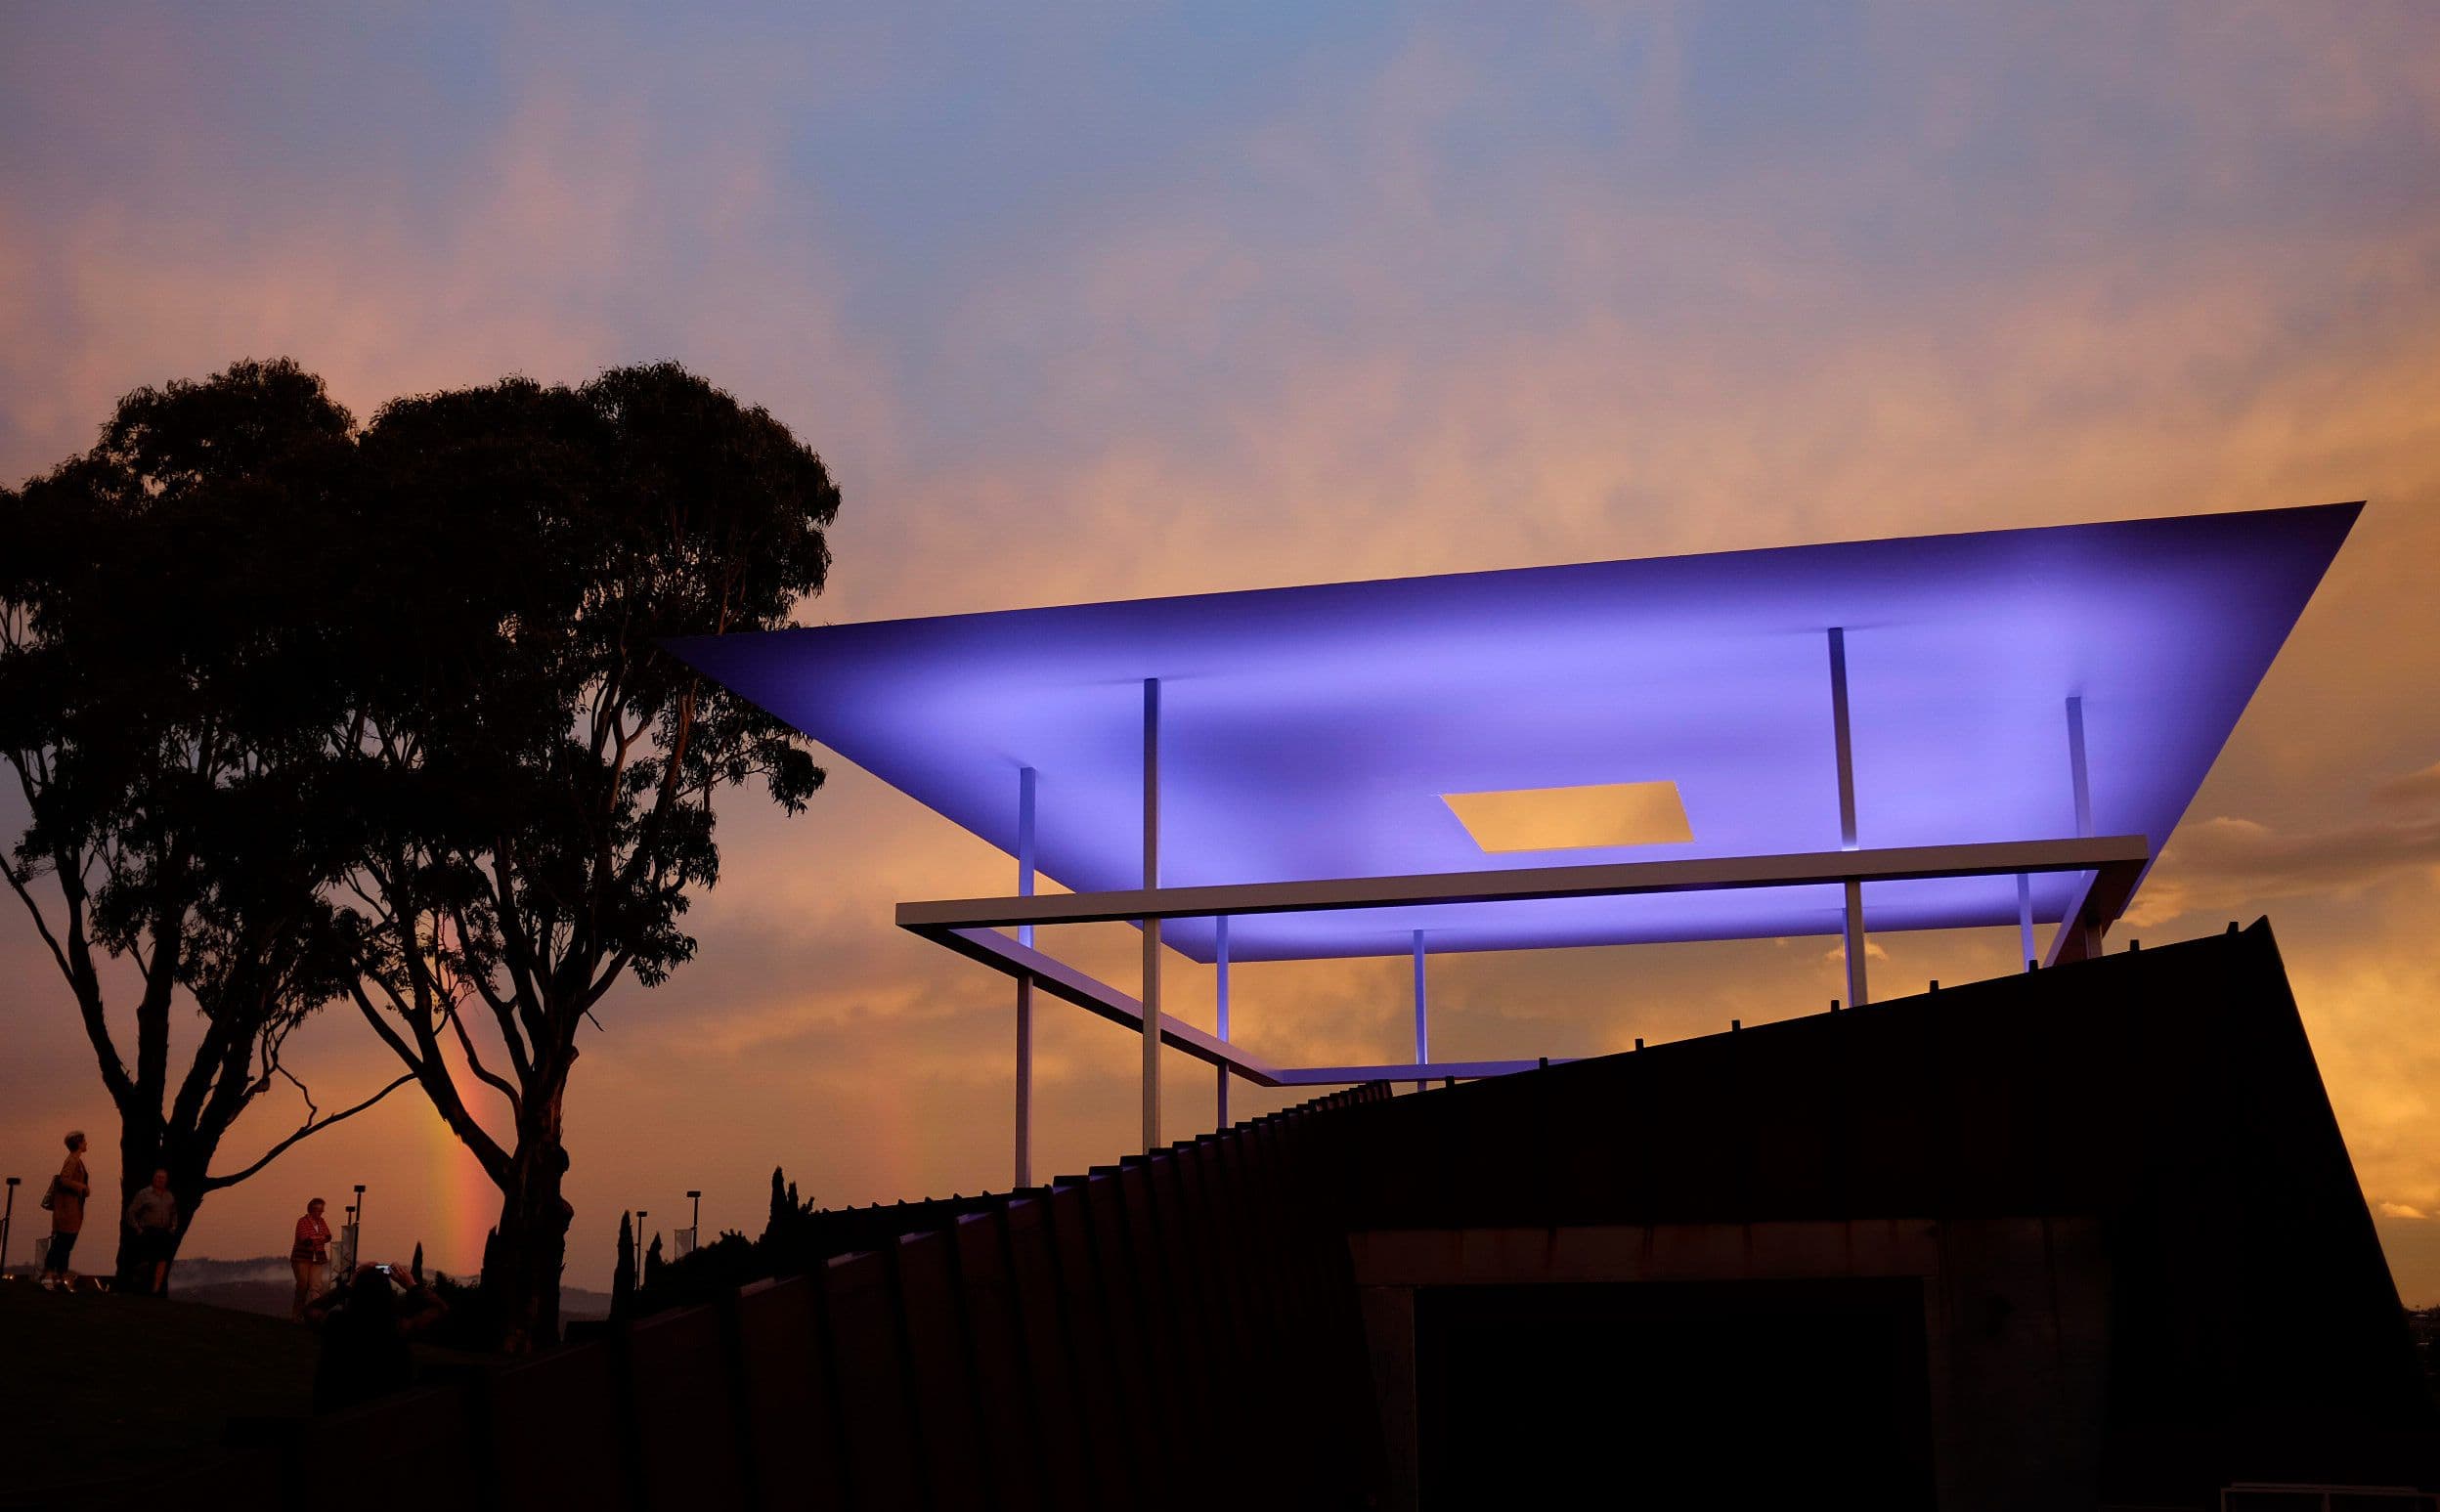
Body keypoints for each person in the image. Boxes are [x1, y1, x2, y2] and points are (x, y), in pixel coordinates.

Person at [303, 1260, 448, 1412]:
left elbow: (311, 1311)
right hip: (384, 1419)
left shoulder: (337, 1323)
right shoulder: (398, 1328)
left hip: (335, 1414)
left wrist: (348, 1286)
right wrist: (411, 1285)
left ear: (355, 1293)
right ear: (387, 1293)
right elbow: (440, 1309)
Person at [37, 1130, 90, 1292]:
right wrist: (81, 1187)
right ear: (79, 1143)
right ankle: (48, 1274)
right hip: (68, 1210)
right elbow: (64, 1180)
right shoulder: (72, 1160)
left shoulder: (77, 1161)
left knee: (66, 1245)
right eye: (84, 1141)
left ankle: (60, 1276)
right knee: (61, 1243)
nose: (87, 1143)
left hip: (72, 1210)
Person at [123, 1169, 179, 1297]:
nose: (160, 1180)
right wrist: (138, 1229)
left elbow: (174, 1213)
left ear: (166, 1180)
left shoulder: (169, 1195)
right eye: (158, 1177)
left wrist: (173, 1227)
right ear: (154, 1178)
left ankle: (155, 1291)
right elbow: (131, 1212)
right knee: (145, 1261)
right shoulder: (144, 1194)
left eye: (163, 1178)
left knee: (162, 1262)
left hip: (164, 1233)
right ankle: (140, 1289)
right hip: (148, 1232)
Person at [291, 1197, 333, 1318]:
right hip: (302, 1258)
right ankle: (297, 1314)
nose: (321, 1213)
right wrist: (319, 1238)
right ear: (312, 1210)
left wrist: (316, 1238)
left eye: (322, 1210)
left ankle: (315, 1316)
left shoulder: (322, 1222)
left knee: (316, 1287)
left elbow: (328, 1236)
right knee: (302, 1286)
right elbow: (305, 1239)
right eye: (318, 1210)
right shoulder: (302, 1221)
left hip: (317, 1259)